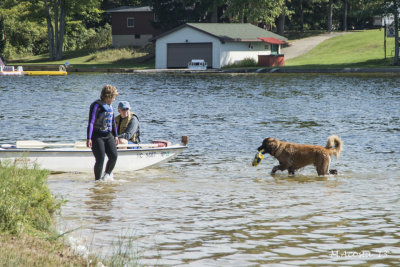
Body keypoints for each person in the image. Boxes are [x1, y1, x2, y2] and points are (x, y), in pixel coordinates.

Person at [86, 85, 119, 181]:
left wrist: (116, 135)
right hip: (97, 136)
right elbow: (91, 122)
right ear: (108, 96)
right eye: (113, 98)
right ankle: (97, 181)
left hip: (108, 135)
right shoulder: (96, 106)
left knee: (114, 156)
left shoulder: (110, 106)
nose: (114, 100)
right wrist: (89, 138)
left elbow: (112, 122)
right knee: (100, 159)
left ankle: (107, 175)